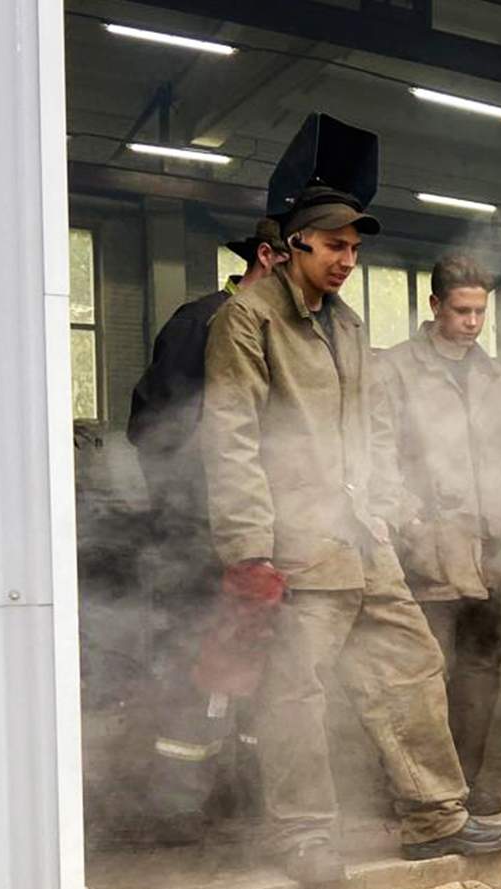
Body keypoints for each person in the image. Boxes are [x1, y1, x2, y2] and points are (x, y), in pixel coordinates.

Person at [201, 115, 501, 882]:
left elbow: (370, 435)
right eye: (336, 244)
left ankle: (435, 815)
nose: (348, 259)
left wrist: (384, 510)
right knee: (296, 694)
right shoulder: (248, 320)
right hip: (295, 544)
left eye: (356, 248)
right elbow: (229, 439)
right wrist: (248, 552)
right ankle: (303, 835)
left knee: (411, 664)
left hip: (360, 538)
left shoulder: (347, 326)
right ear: (296, 242)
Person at [123, 219, 284, 844]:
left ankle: (240, 794)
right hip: (196, 534)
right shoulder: (202, 323)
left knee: (250, 666)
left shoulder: (282, 333)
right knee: (191, 667)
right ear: (266, 259)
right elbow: (154, 430)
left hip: (255, 535)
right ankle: (174, 807)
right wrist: (192, 515)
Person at [375, 254, 501, 818]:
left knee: (482, 669)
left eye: (481, 311)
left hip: (492, 551)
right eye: (461, 310)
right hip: (428, 546)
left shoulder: (496, 376)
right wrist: (408, 522)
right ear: (434, 305)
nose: (473, 322)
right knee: (421, 670)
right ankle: (415, 787)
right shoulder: (396, 370)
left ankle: (466, 779)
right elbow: (375, 455)